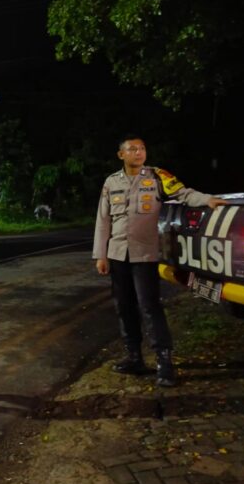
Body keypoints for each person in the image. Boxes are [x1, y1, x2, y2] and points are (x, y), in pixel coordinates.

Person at [93, 135, 228, 387]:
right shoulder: (111, 182)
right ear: (121, 155)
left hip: (144, 253)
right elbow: (103, 219)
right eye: (132, 149)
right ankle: (134, 356)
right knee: (124, 306)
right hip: (117, 253)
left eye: (142, 148)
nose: (139, 152)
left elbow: (184, 194)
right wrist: (101, 254)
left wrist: (207, 199)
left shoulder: (157, 177)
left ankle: (164, 362)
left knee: (149, 306)